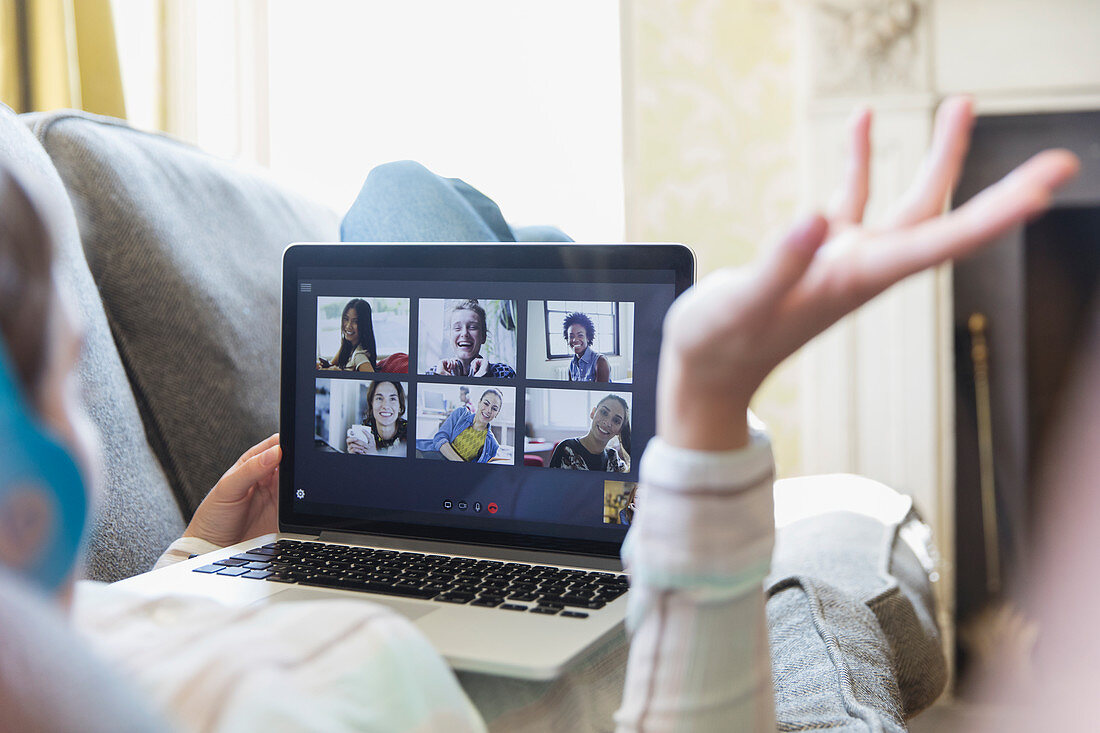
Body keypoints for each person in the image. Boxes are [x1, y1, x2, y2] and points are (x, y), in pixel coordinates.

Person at [0, 96, 1084, 731]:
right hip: (517, 564)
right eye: (66, 367)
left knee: (407, 195)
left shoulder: (92, 618)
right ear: (27, 472)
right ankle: (562, 279)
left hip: (271, 562)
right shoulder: (327, 677)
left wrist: (192, 557)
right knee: (410, 195)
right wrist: (699, 419)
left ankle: (546, 270)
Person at [426, 299, 516, 378]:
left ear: (483, 336)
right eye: (457, 328)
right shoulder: (434, 372)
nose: (464, 333)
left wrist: (482, 379)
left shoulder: (503, 373)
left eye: (472, 327)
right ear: (450, 336)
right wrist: (441, 380)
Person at [416, 388, 504, 463]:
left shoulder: (492, 444)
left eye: (494, 408)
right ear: (479, 402)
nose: (489, 410)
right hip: (433, 454)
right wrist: (460, 464)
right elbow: (439, 438)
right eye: (486, 403)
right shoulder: (461, 413)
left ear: (497, 414)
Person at [547, 394, 630, 472]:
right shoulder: (566, 449)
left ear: (619, 430)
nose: (607, 423)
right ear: (593, 413)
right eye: (604, 413)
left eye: (616, 421)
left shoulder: (614, 459)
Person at [346, 380, 408, 457]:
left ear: (400, 407)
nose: (385, 406)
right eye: (379, 398)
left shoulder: (410, 433)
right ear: (371, 404)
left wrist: (374, 455)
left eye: (392, 399)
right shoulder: (364, 432)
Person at [317, 298, 377, 372]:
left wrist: (339, 372)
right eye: (346, 319)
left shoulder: (359, 356)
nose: (348, 326)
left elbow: (372, 380)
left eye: (355, 321)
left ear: (364, 325)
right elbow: (331, 364)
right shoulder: (347, 346)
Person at [563, 311, 611, 382]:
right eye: (571, 336)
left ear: (588, 338)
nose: (575, 340)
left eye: (580, 335)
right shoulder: (572, 365)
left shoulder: (601, 361)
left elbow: (601, 392)